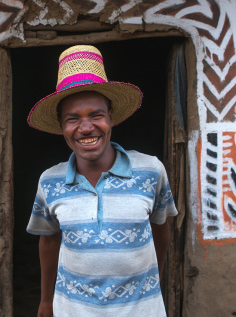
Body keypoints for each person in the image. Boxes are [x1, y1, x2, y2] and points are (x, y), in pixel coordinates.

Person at [26, 45, 178, 317]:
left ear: (111, 117)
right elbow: (49, 241)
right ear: (61, 125)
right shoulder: (50, 182)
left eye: (96, 115)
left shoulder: (151, 171)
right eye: (73, 119)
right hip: (72, 310)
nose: (86, 128)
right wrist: (46, 301)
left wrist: (154, 283)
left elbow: (160, 230)